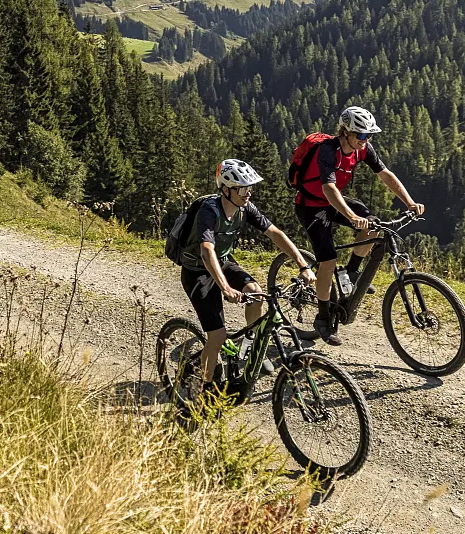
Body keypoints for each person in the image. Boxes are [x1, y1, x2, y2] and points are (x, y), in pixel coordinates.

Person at [177, 159, 316, 402]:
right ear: (226, 189)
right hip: (198, 270)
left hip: (223, 261)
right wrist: (226, 288)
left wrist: (303, 264)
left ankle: (249, 349)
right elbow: (207, 250)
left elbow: (275, 234)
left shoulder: (245, 208)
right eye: (242, 188)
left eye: (250, 187)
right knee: (217, 336)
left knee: (255, 292)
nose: (248, 192)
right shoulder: (209, 211)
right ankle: (203, 388)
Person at [292, 106, 425, 345]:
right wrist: (351, 216)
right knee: (327, 259)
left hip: (334, 202)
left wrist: (410, 201)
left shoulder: (362, 150)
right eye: (362, 135)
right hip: (311, 205)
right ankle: (322, 318)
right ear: (346, 133)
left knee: (374, 225)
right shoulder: (328, 150)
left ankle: (351, 272)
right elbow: (329, 188)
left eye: (369, 136)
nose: (366, 140)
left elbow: (385, 174)